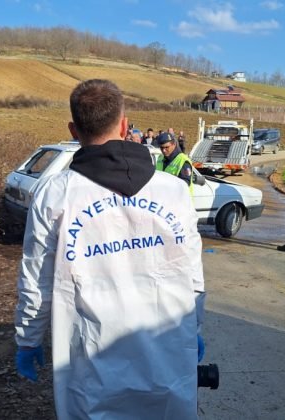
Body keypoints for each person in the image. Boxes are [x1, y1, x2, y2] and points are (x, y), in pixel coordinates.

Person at [15, 79, 206, 419]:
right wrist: (195, 325)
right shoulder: (173, 192)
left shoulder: (56, 195)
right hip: (167, 350)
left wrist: (28, 338)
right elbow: (192, 274)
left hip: (91, 358)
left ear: (73, 130)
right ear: (123, 125)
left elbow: (37, 279)